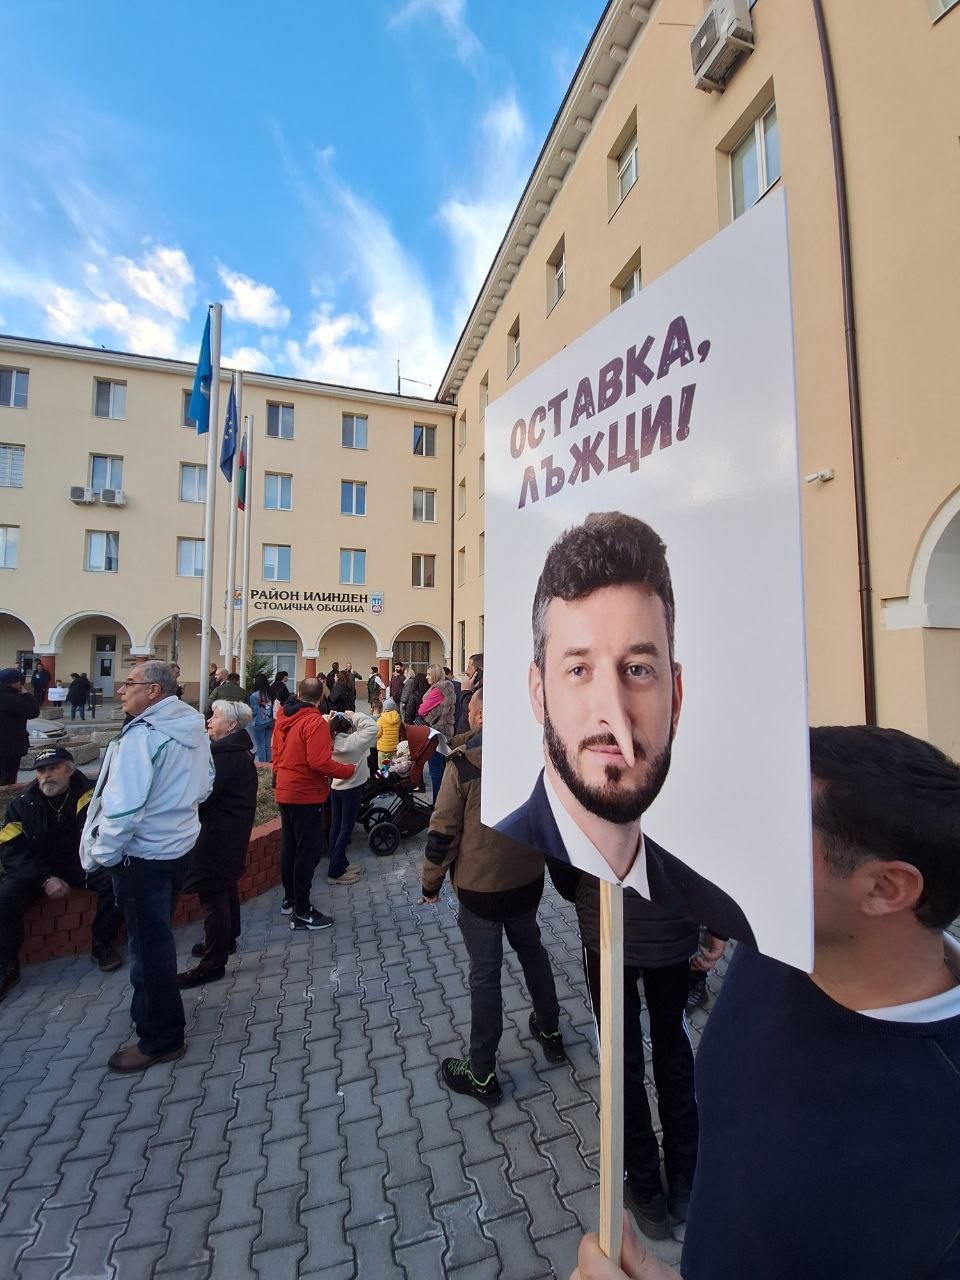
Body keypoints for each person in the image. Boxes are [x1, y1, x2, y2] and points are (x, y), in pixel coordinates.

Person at [571, 725, 960, 1280]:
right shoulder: (776, 950)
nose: (747, 844)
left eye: (781, 830)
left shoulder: (940, 1158)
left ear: (885, 889)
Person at [496, 512, 754, 944]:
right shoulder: (509, 850)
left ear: (675, 697)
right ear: (539, 694)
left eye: (637, 669)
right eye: (579, 670)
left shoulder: (719, 909)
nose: (614, 715)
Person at [422, 685, 565, 1104]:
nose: (466, 712)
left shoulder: (463, 764)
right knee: (532, 950)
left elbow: (442, 831)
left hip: (481, 890)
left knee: (485, 975)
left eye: (471, 707)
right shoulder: (536, 756)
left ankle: (481, 1072)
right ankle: (551, 1029)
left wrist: (429, 883)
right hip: (527, 881)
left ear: (482, 716)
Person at [80, 662, 213, 1073]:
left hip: (142, 856)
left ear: (154, 691)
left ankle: (160, 1037)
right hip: (176, 849)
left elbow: (124, 809)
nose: (121, 690)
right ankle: (152, 1011)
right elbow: (206, 784)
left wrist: (101, 855)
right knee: (155, 940)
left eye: (130, 684)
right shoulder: (191, 727)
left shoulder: (144, 738)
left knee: (148, 949)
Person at [0, 746, 124, 1000]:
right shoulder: (21, 805)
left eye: (53, 768)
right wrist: (44, 878)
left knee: (116, 881)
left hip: (79, 864)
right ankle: (7, 964)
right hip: (38, 871)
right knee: (5, 897)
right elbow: (10, 850)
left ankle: (102, 943)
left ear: (69, 769)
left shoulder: (93, 795)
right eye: (41, 770)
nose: (46, 776)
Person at [178, 700, 258, 988]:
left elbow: (201, 793)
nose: (209, 720)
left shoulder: (226, 755)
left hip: (218, 834)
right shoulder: (232, 751)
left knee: (213, 894)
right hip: (227, 832)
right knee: (225, 886)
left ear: (232, 725)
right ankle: (225, 940)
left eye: (216, 716)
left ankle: (213, 962)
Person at [272, 677, 356, 930]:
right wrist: (348, 771)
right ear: (321, 698)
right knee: (307, 852)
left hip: (285, 789)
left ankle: (290, 899)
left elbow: (275, 752)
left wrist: (279, 776)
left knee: (290, 847)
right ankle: (302, 911)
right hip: (305, 793)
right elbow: (319, 762)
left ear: (298, 693)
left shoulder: (283, 718)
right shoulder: (314, 722)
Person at [327, 709, 378, 886]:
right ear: (349, 728)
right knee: (346, 829)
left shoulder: (329, 740)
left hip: (336, 787)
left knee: (336, 826)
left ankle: (340, 862)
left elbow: (323, 720)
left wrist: (332, 718)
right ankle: (335, 872)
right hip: (352, 788)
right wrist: (353, 714)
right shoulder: (353, 742)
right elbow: (373, 726)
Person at [419, 663, 456, 802]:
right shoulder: (448, 687)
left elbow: (422, 710)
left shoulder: (437, 689)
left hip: (436, 732)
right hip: (445, 731)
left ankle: (437, 805)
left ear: (435, 674)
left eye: (429, 674)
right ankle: (444, 803)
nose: (427, 677)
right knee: (443, 771)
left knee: (435, 772)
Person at [0, 667, 39, 784]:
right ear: (15, 682)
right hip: (9, 746)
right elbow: (33, 711)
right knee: (8, 777)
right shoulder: (12, 698)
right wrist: (26, 694)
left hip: (8, 745)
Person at [248, 672, 274, 763]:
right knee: (267, 744)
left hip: (258, 722)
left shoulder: (254, 695)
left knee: (260, 745)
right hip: (270, 721)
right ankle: (269, 763)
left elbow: (254, 711)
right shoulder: (270, 693)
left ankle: (263, 765)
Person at [455, 653, 483, 734]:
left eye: (469, 668)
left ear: (479, 671)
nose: (466, 672)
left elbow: (470, 712)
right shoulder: (474, 688)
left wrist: (465, 692)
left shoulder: (483, 692)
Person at [376, 697, 401, 766]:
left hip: (383, 748)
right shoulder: (398, 719)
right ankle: (391, 776)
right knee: (392, 766)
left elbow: (378, 734)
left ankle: (384, 776)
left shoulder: (380, 719)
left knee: (383, 767)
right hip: (394, 748)